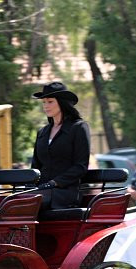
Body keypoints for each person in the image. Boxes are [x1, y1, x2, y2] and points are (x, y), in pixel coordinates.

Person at [30, 81, 91, 210]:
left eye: (50, 102)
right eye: (44, 102)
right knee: (14, 202)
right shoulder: (42, 132)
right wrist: (31, 185)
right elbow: (35, 166)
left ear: (62, 103)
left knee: (28, 204)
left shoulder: (78, 128)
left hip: (65, 192)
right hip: (41, 192)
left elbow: (81, 166)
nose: (46, 106)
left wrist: (54, 183)